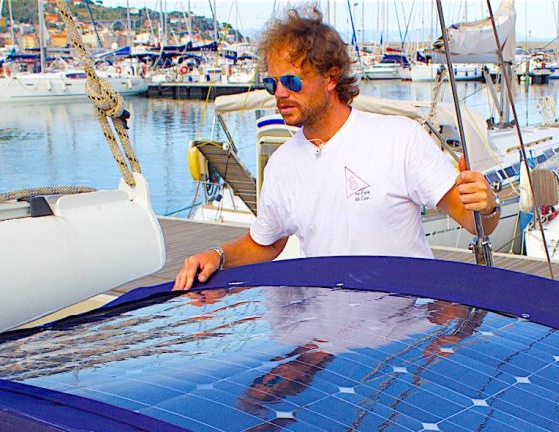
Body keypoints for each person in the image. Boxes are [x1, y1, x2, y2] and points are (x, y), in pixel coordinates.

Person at [173, 6, 500, 291]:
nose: (280, 94)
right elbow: (266, 244)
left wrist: (487, 206)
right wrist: (215, 257)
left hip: (404, 332)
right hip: (328, 332)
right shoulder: (281, 165)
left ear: (330, 77)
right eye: (272, 84)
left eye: (293, 81)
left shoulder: (399, 138)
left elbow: (475, 223)